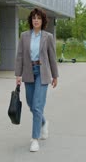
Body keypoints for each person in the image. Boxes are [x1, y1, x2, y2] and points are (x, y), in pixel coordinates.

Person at [15, 8, 59, 152]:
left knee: (38, 105)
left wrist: (55, 75)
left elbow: (52, 57)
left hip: (43, 73)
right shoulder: (24, 36)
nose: (36, 20)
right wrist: (18, 74)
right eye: (34, 18)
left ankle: (35, 139)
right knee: (31, 104)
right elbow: (20, 56)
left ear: (42, 21)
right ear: (31, 20)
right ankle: (44, 122)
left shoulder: (48, 37)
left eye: (38, 18)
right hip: (28, 72)